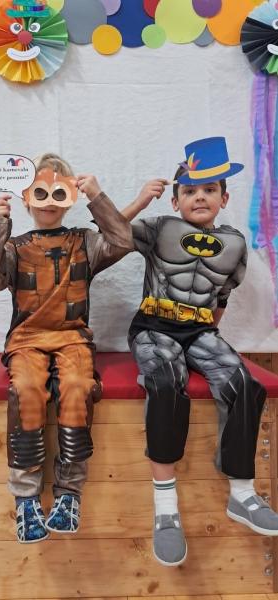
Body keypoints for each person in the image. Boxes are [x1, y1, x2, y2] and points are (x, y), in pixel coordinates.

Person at [121, 136, 278, 567]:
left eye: (210, 189)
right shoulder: (160, 228)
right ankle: (165, 507)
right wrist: (140, 200)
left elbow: (222, 296)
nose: (200, 197)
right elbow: (111, 234)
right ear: (175, 200)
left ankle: (242, 493)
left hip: (199, 329)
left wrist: (208, 339)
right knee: (166, 381)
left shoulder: (234, 244)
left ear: (224, 198)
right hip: (154, 326)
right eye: (190, 190)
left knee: (245, 383)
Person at [0, 153, 133, 543]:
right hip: (27, 339)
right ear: (27, 198)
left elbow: (122, 240)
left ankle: (69, 492)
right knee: (26, 390)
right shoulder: (16, 247)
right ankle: (26, 496)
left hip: (72, 338)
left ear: (70, 197)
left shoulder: (84, 243)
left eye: (58, 192)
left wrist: (98, 196)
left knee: (78, 387)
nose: (49, 201)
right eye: (41, 192)